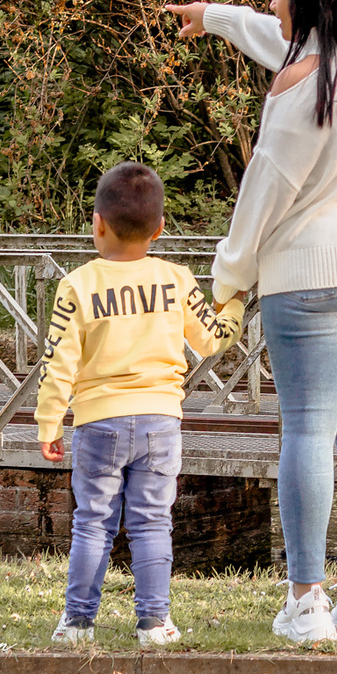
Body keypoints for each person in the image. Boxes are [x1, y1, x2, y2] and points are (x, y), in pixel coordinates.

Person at [167, 0, 337, 646]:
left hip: (308, 277)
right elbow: (272, 36)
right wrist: (213, 15)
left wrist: (229, 281)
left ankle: (307, 602)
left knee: (308, 430)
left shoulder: (298, 86)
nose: (269, 0)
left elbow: (263, 195)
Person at [36, 161, 245, 647]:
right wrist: (233, 304)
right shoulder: (176, 280)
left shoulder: (78, 285)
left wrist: (50, 422)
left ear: (97, 223)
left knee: (92, 522)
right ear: (159, 228)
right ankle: (154, 622)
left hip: (99, 422)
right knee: (153, 522)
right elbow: (211, 339)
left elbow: (57, 364)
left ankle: (78, 622)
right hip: (159, 420)